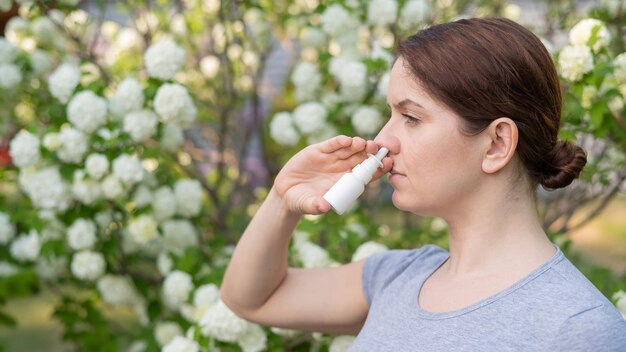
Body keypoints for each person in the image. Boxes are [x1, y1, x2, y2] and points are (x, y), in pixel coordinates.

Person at [221, 17, 626, 350]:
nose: (382, 140)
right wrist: (282, 199)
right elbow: (252, 299)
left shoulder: (576, 328)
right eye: (390, 115)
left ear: (496, 144)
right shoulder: (398, 277)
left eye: (410, 118)